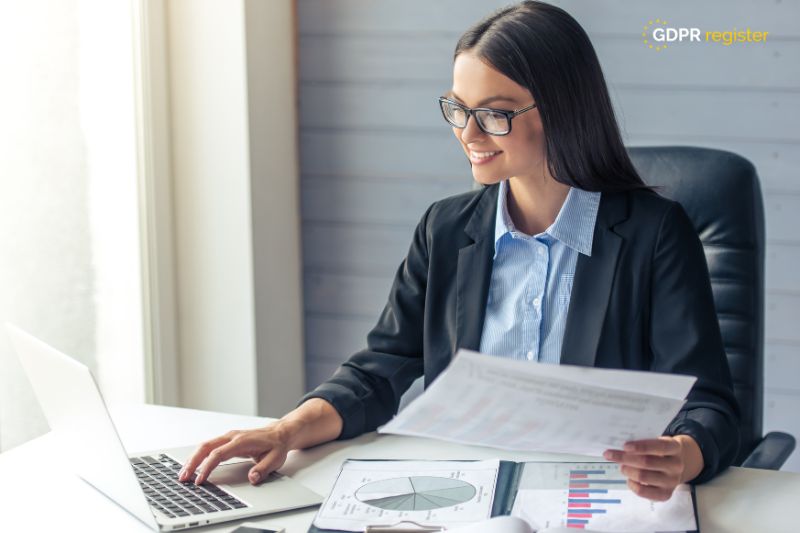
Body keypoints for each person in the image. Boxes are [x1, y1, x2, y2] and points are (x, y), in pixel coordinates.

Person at [179, 1, 740, 502]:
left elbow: (707, 405)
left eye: (494, 113)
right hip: (464, 494)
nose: (468, 133)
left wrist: (681, 456)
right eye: (457, 108)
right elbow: (379, 373)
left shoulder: (653, 234)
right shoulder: (446, 230)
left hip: (597, 499)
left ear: (561, 109)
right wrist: (284, 430)